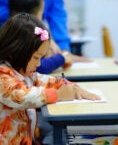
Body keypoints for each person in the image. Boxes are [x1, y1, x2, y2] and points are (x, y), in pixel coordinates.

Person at [0, 13, 100, 144]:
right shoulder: (3, 76)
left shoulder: (26, 75)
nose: (39, 64)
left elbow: (48, 81)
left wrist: (72, 87)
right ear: (14, 52)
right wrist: (58, 95)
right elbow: (21, 96)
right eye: (36, 58)